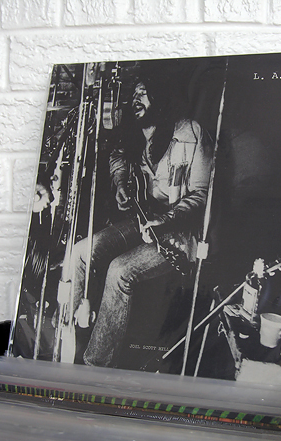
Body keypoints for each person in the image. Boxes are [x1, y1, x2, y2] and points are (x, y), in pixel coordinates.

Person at [70, 76, 213, 367]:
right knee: (81, 253)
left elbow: (202, 194)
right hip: (141, 220)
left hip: (178, 233)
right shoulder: (135, 132)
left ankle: (96, 365)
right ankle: (71, 333)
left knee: (119, 270)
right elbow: (118, 156)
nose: (136, 100)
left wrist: (166, 220)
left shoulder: (192, 132)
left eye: (144, 93)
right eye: (134, 94)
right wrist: (121, 182)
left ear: (160, 99)